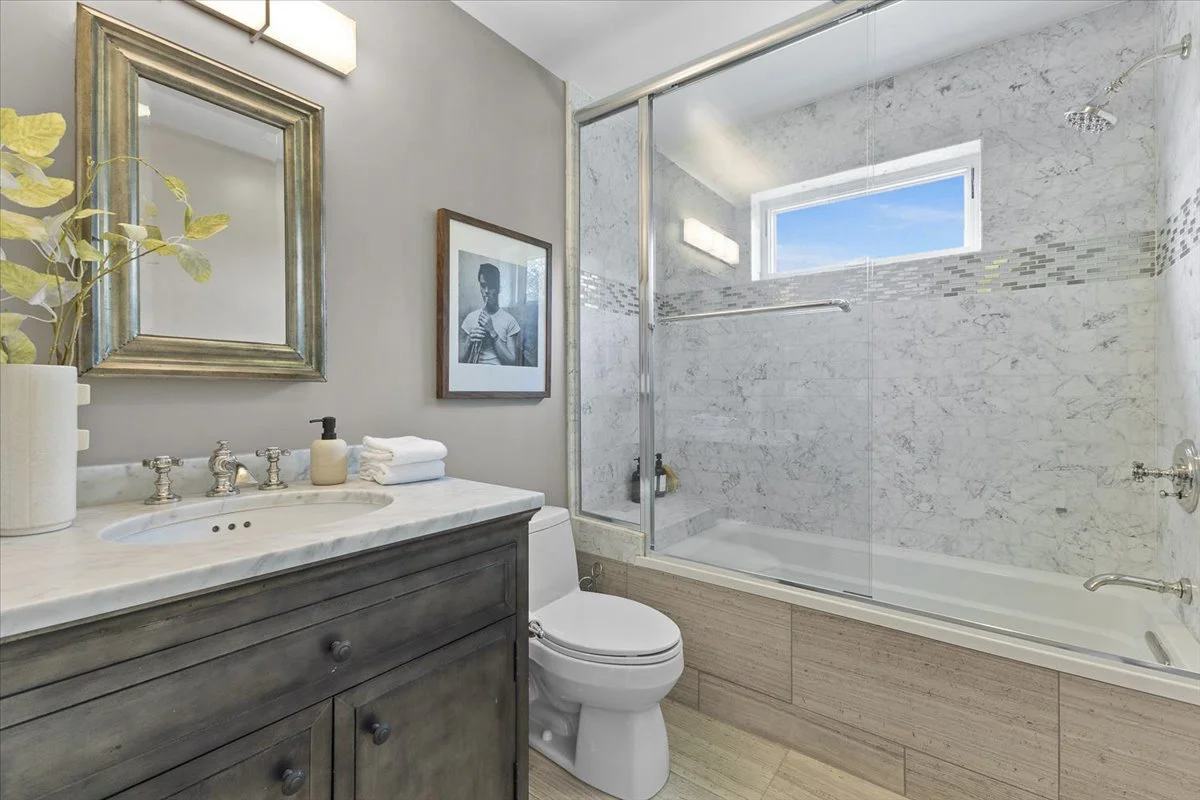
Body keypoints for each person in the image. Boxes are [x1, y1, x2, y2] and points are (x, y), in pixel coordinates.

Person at [461, 262, 521, 365]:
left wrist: (493, 332)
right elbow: (459, 359)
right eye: (483, 285)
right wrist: (469, 340)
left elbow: (512, 361)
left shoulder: (510, 320)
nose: (486, 291)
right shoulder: (470, 317)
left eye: (491, 286)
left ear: (498, 289)